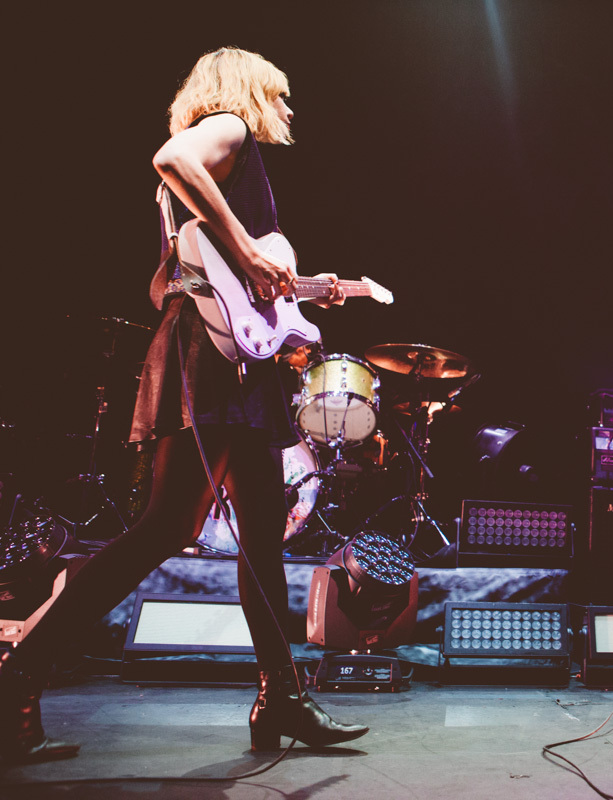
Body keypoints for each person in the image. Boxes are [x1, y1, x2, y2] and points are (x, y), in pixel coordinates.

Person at [0, 47, 366, 763]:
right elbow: (171, 156)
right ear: (245, 92)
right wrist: (251, 254)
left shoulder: (210, 185)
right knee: (166, 525)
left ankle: (280, 699)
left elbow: (161, 286)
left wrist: (291, 287)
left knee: (261, 533)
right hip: (211, 363)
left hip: (225, 357)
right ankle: (17, 677)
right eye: (281, 96)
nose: (288, 111)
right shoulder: (228, 129)